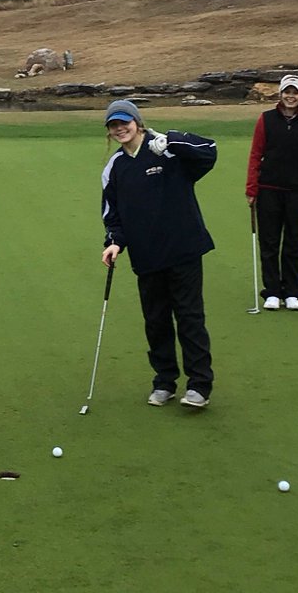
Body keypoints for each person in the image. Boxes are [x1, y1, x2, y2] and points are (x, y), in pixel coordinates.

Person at [100, 99, 218, 409]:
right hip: (147, 256)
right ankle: (164, 381)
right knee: (156, 321)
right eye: (113, 125)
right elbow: (113, 215)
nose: (120, 128)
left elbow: (209, 151)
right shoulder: (115, 167)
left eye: (124, 122)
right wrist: (113, 242)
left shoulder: (166, 148)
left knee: (190, 317)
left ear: (138, 122)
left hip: (183, 249)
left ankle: (199, 386)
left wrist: (174, 141)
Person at [245, 74, 298, 311]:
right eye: (287, 92)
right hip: (269, 189)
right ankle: (271, 292)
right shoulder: (266, 119)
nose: (291, 96)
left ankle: (292, 292)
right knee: (269, 242)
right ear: (280, 94)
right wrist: (251, 189)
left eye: (295, 92)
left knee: (294, 243)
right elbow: (255, 154)